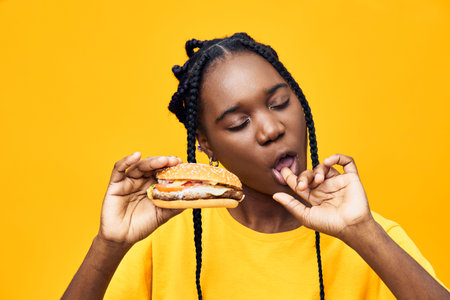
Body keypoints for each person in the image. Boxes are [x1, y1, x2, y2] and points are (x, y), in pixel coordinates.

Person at [61, 33, 449, 300]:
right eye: (238, 123)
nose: (271, 129)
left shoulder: (369, 234)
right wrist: (108, 246)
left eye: (280, 102)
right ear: (207, 146)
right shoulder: (161, 240)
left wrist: (363, 233)